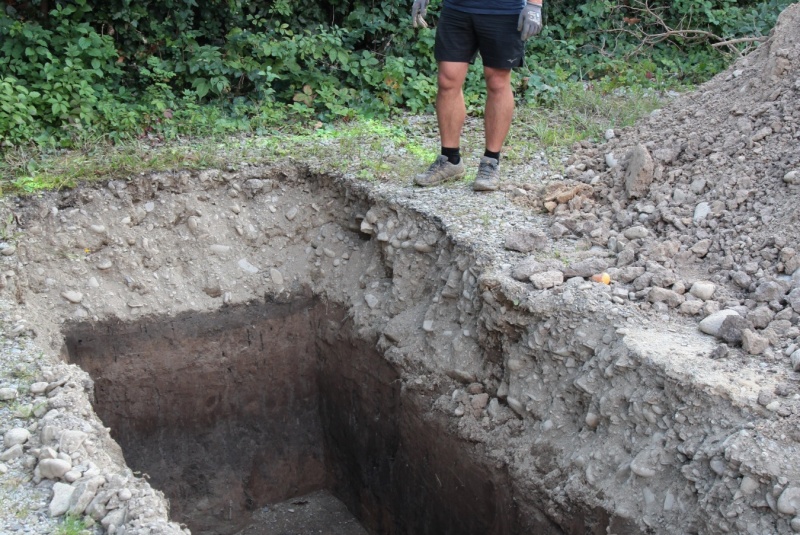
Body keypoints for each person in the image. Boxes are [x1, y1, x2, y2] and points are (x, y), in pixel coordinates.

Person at [411, 0, 542, 191]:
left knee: (497, 81)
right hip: (457, 8)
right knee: (448, 79)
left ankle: (490, 161)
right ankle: (450, 159)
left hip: (504, 10)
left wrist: (535, 5)